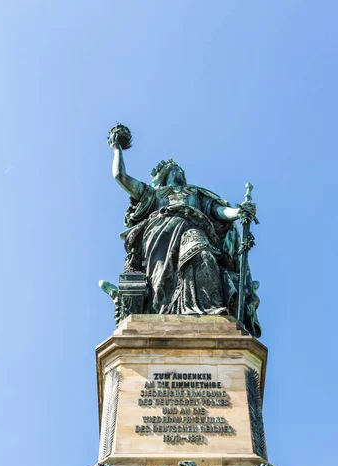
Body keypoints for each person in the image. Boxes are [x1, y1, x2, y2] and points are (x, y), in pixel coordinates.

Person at [108, 130, 260, 337]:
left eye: (180, 169)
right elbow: (121, 177)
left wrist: (238, 213)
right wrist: (116, 148)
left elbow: (218, 211)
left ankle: (210, 312)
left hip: (193, 229)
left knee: (204, 256)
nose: (179, 171)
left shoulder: (195, 193)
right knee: (160, 279)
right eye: (174, 169)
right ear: (165, 175)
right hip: (160, 235)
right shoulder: (154, 194)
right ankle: (162, 312)